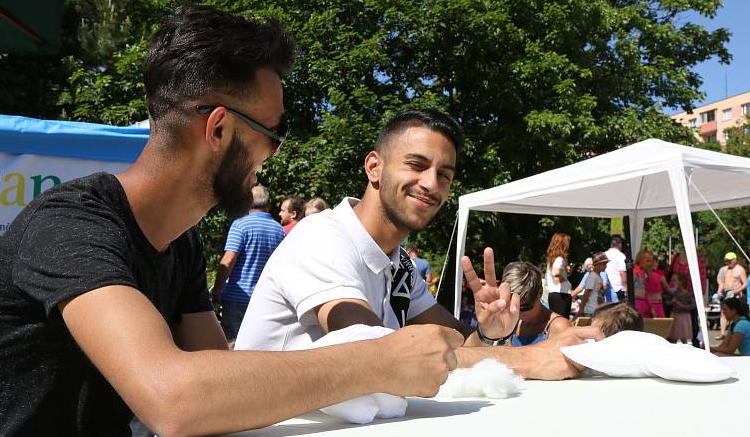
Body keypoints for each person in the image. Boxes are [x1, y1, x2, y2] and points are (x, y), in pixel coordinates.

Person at [0, 6, 464, 437]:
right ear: (218, 128)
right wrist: (376, 361)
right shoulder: (71, 225)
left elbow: (217, 381)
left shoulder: (180, 241)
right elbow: (173, 397)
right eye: (274, 132)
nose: (275, 153)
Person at [236, 108, 601, 378]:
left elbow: (455, 350)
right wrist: (531, 358)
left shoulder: (400, 266)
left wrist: (490, 333)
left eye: (444, 174)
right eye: (416, 165)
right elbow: (376, 352)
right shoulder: (322, 237)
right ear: (374, 167)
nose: (431, 184)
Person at [211, 184, 285, 341]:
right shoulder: (279, 230)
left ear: (247, 202)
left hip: (236, 299)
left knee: (232, 344)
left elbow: (228, 260)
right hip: (264, 299)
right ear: (269, 203)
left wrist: (217, 290)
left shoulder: (240, 225)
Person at [500, 261, 570, 346]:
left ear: (540, 293)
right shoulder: (514, 322)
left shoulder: (559, 327)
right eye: (511, 305)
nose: (517, 313)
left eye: (525, 307)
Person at [717, 252, 747, 340]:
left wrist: (738, 290)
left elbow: (745, 283)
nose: (728, 262)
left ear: (735, 260)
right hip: (726, 294)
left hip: (735, 294)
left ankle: (734, 333)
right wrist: (719, 291)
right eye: (727, 260)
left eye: (730, 260)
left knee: (735, 314)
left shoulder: (740, 269)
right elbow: (721, 283)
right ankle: (722, 333)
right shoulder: (724, 269)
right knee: (723, 313)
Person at [545, 232, 572, 317]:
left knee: (555, 320)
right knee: (562, 321)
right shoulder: (560, 259)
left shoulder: (552, 259)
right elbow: (555, 273)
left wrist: (566, 273)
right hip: (561, 295)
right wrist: (562, 280)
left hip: (553, 294)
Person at [579, 252, 610, 317]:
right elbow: (586, 293)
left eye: (606, 264)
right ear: (597, 264)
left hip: (597, 309)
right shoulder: (592, 276)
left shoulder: (598, 276)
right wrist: (581, 309)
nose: (606, 266)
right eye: (604, 264)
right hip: (591, 310)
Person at [667, 273, 694, 344]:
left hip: (683, 317)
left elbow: (692, 306)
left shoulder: (687, 294)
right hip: (675, 315)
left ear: (681, 282)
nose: (673, 283)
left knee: (683, 338)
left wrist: (682, 305)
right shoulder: (673, 293)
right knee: (673, 338)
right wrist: (671, 302)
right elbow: (667, 302)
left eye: (675, 281)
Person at [605, 236, 627, 301]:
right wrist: (625, 288)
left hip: (607, 287)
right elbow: (622, 272)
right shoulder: (621, 256)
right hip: (618, 288)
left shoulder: (604, 254)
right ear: (620, 245)